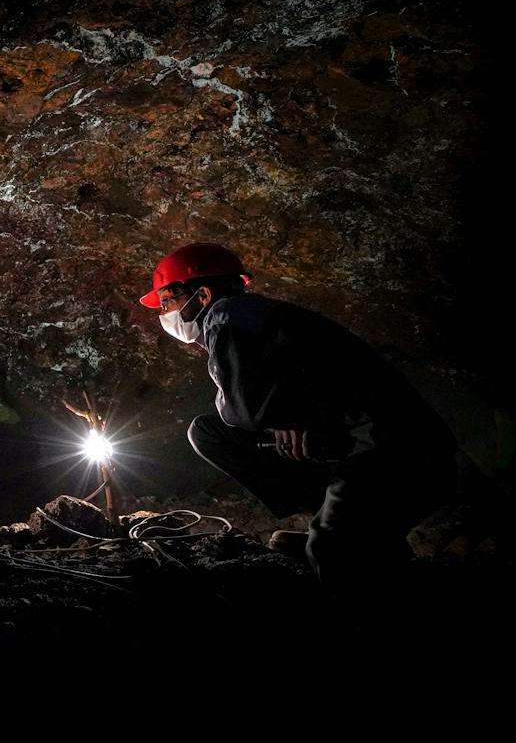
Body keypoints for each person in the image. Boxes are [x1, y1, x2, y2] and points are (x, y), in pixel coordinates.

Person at [142, 242, 456, 592]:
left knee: (331, 547)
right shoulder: (263, 320)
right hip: (362, 446)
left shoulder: (227, 316)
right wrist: (288, 420)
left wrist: (278, 419)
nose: (165, 314)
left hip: (397, 454)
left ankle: (349, 556)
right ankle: (349, 524)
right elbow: (292, 390)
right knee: (208, 432)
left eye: (168, 301)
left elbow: (240, 409)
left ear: (201, 295)